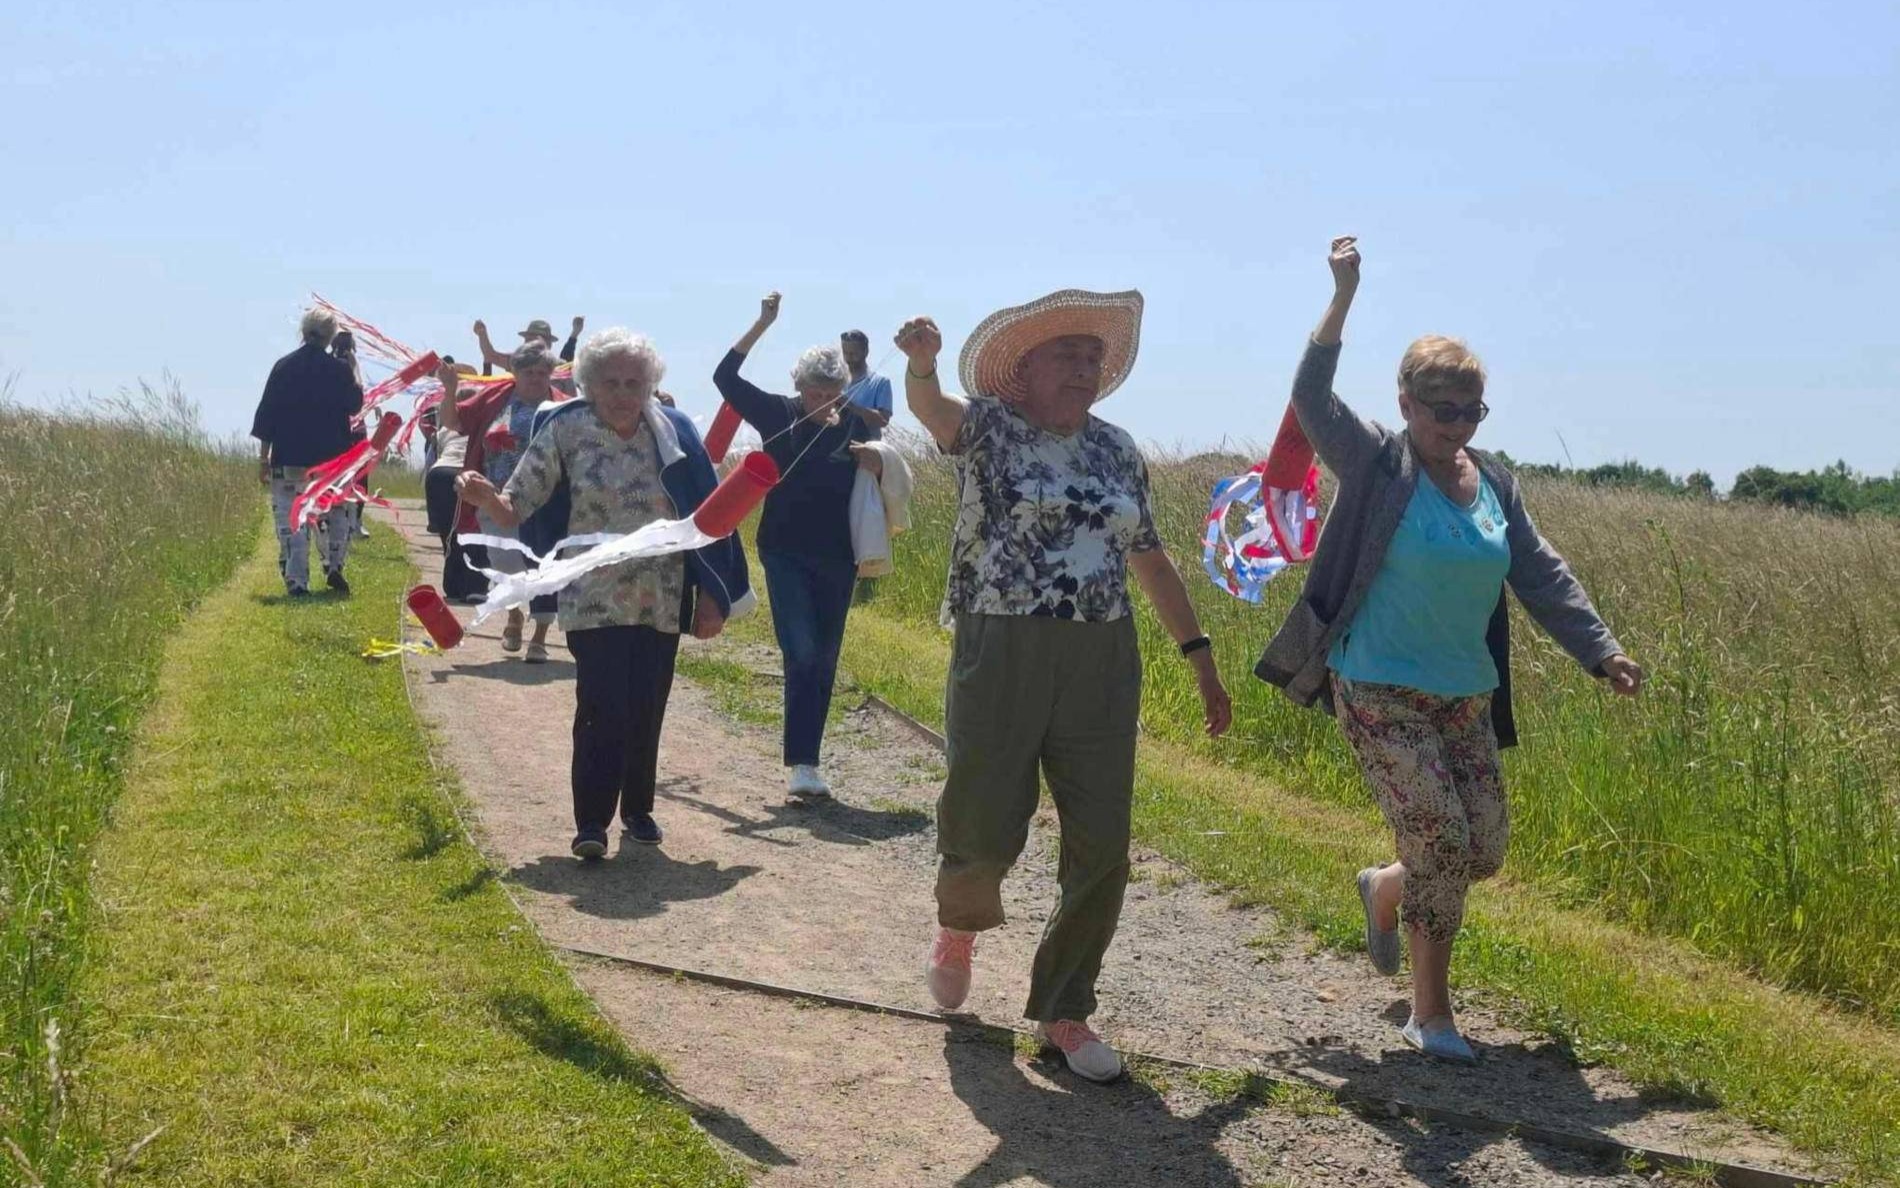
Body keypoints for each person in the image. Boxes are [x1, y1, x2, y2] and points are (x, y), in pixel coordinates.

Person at [1257, 237, 1645, 1063]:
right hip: (1377, 686)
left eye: (1472, 410)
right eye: (1443, 409)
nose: (1458, 425)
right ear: (1405, 403)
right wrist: (1342, 298)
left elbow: (1539, 571)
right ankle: (1430, 1014)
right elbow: (1309, 394)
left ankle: (1387, 886)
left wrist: (1600, 650)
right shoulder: (1376, 462)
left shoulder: (1494, 483)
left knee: (1485, 850)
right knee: (1440, 844)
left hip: (1464, 692)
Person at [895, 289, 1232, 1084]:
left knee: (1103, 838)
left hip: (1101, 653)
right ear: (1026, 367)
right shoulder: (990, 426)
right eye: (1068, 354)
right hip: (1001, 641)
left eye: (1094, 356)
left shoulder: (1117, 451)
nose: (1086, 366)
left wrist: (1200, 658)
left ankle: (1064, 1008)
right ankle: (960, 926)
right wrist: (921, 364)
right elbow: (932, 410)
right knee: (982, 815)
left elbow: (1149, 557)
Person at [455, 329, 753, 858]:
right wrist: (485, 497)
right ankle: (591, 822)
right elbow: (516, 504)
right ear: (589, 384)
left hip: (659, 595)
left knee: (646, 705)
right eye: (610, 382)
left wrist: (714, 593)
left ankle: (638, 810)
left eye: (633, 382)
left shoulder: (675, 431)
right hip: (591, 596)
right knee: (600, 703)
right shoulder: (564, 427)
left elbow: (711, 518)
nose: (622, 392)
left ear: (649, 384)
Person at [713, 293, 878, 801]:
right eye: (814, 391)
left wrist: (877, 460)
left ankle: (809, 762)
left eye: (831, 390)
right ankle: (801, 762)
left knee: (824, 659)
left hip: (838, 557)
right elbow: (725, 378)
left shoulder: (854, 425)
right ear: (799, 387)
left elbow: (885, 463)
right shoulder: (777, 414)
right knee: (801, 651)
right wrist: (761, 323)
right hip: (783, 552)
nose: (823, 400)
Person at [440, 340, 563, 660]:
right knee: (505, 562)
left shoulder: (563, 406)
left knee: (544, 567)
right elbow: (452, 422)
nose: (536, 378)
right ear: (515, 372)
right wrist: (450, 388)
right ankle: (513, 614)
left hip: (545, 502)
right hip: (494, 497)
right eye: (528, 371)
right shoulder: (495, 398)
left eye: (542, 372)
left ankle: (539, 637)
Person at [251, 307, 365, 597]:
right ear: (330, 337)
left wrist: (264, 459)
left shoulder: (283, 367)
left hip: (289, 457)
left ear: (303, 332)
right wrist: (353, 365)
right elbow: (355, 405)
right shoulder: (339, 370)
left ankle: (297, 578)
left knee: (293, 519)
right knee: (335, 513)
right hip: (331, 461)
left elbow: (267, 416)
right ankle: (334, 564)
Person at [425, 360, 489, 602]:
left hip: (439, 475)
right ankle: (475, 585)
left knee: (449, 535)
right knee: (474, 530)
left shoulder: (444, 429)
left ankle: (453, 584)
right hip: (465, 473)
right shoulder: (484, 426)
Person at [473, 315, 583, 373]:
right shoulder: (517, 361)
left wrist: (574, 334)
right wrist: (482, 334)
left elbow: (567, 367)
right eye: (531, 340)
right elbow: (491, 356)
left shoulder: (558, 366)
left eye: (539, 340)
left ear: (548, 344)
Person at [840, 329, 893, 440]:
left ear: (866, 352)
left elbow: (883, 420)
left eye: (854, 353)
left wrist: (850, 406)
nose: (849, 358)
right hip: (836, 448)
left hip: (866, 449)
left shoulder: (880, 382)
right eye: (845, 353)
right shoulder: (836, 382)